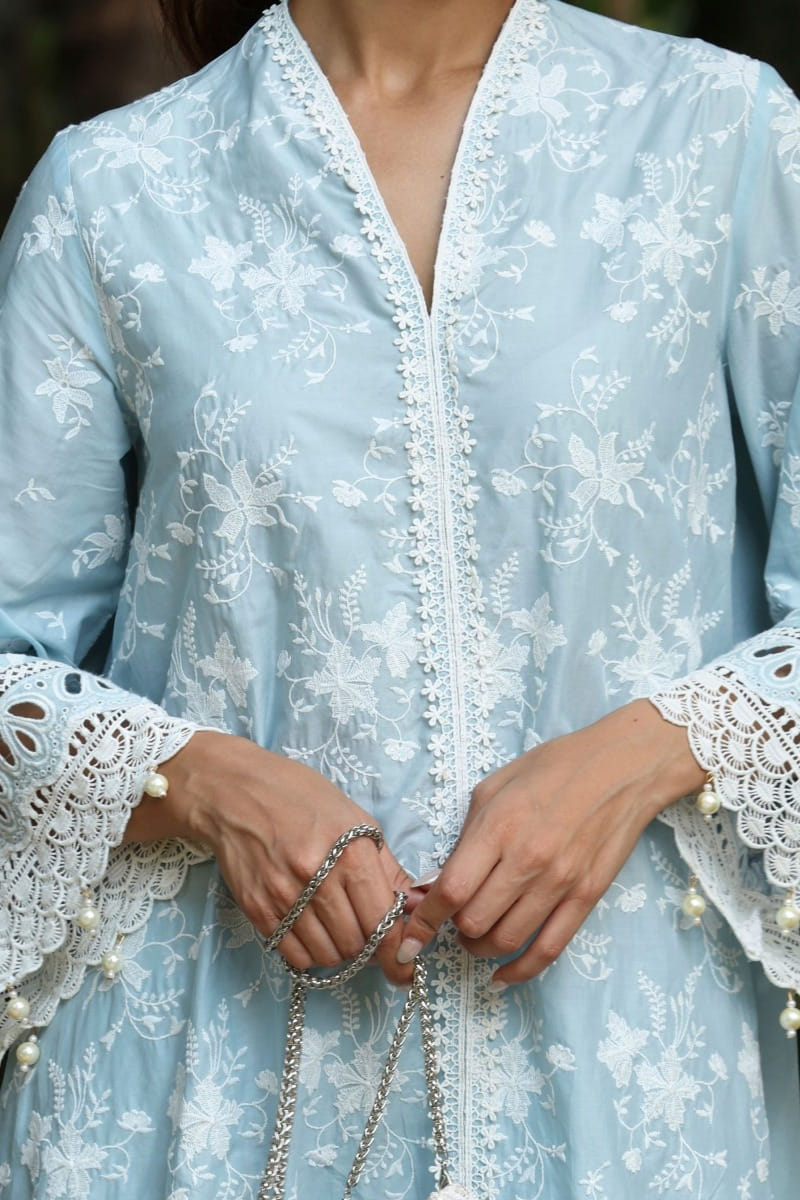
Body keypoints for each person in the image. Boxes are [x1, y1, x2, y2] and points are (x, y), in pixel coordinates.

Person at [1, 0, 799, 1195]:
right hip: (203, 1084)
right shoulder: (113, 190)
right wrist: (202, 781)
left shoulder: (717, 132)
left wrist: (638, 757)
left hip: (635, 1082)